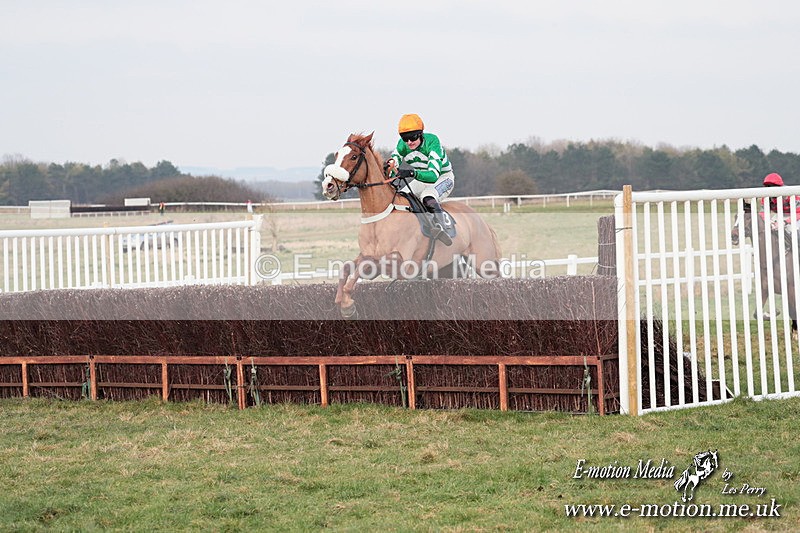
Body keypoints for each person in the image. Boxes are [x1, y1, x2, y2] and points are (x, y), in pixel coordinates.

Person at [386, 113, 455, 245]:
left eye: (412, 137)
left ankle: (442, 228)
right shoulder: (402, 145)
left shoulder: (432, 141)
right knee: (401, 198)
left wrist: (411, 173)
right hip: (421, 179)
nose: (409, 142)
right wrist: (388, 170)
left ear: (421, 134)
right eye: (405, 138)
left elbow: (433, 175)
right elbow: (392, 165)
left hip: (442, 177)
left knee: (427, 196)